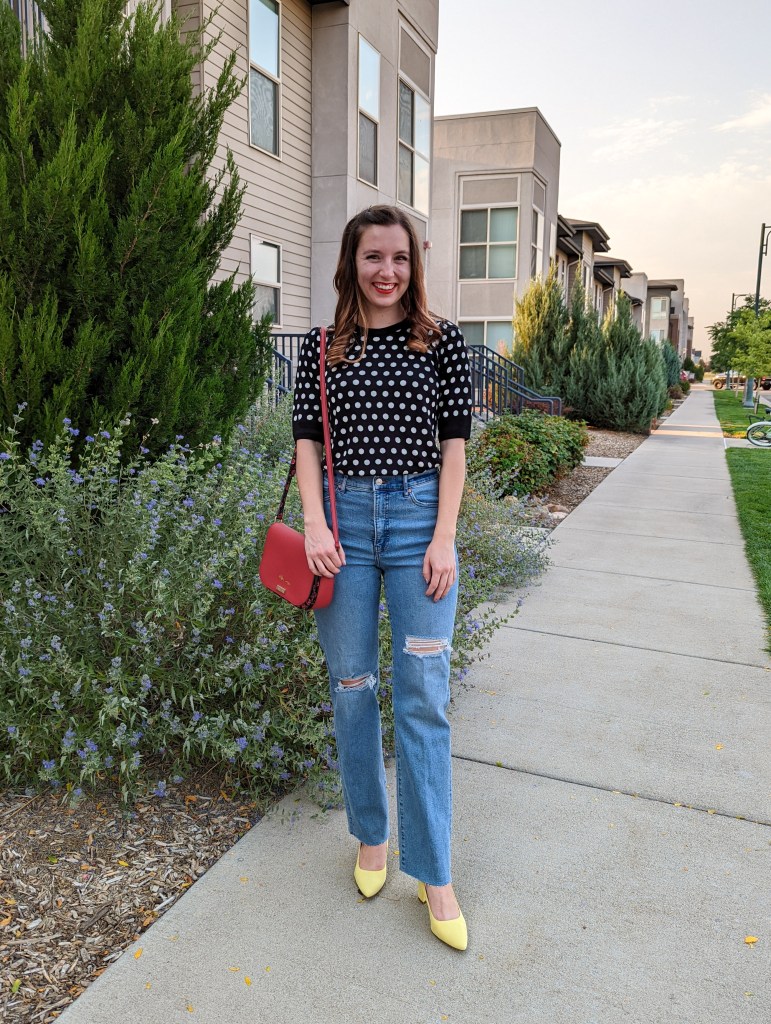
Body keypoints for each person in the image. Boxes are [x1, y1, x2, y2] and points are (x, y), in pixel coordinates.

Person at [291, 205, 473, 950]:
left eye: (398, 258)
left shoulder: (444, 343)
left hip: (417, 518)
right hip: (341, 524)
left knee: (424, 696)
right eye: (373, 257)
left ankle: (432, 870)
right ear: (351, 262)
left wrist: (443, 538)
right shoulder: (323, 347)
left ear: (414, 263)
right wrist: (313, 522)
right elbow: (305, 442)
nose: (387, 271)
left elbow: (454, 448)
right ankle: (371, 836)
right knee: (352, 687)